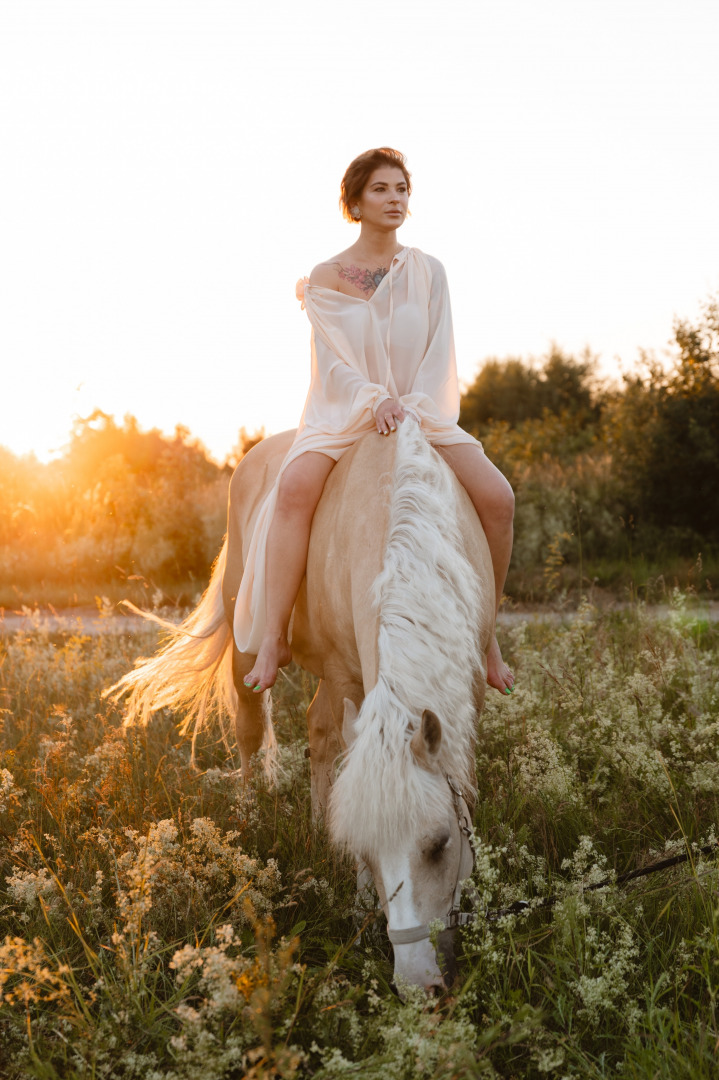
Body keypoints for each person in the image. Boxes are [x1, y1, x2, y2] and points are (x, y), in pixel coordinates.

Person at [238, 147, 515, 696]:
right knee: (292, 489)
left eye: (402, 189)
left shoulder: (428, 271)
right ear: (356, 201)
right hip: (344, 416)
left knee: (499, 496)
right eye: (382, 190)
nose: (396, 200)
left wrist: (411, 405)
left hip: (417, 412)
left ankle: (485, 635)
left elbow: (441, 353)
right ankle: (274, 636)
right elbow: (331, 361)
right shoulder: (327, 275)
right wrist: (373, 401)